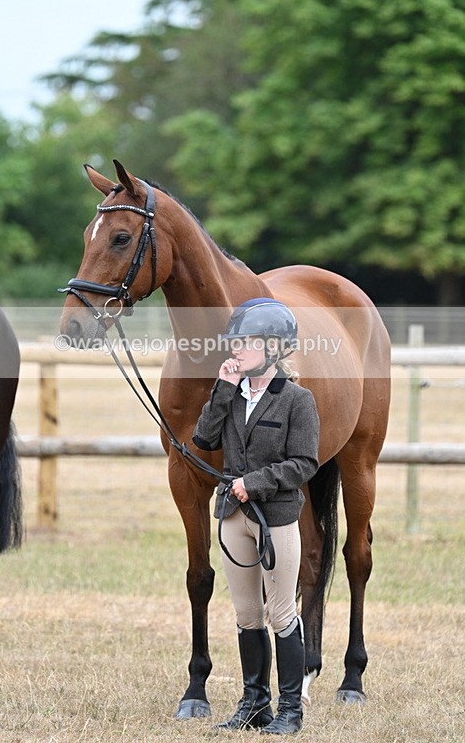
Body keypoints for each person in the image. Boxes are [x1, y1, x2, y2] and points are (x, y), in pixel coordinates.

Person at [192, 298, 320, 735]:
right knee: (246, 614)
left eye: (246, 344)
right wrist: (222, 389)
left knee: (281, 614)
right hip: (232, 515)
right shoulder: (231, 392)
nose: (236, 350)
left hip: (276, 518)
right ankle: (254, 703)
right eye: (235, 343)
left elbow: (305, 464)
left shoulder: (297, 400)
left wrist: (256, 482)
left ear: (274, 347)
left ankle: (290, 710)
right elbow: (203, 437)